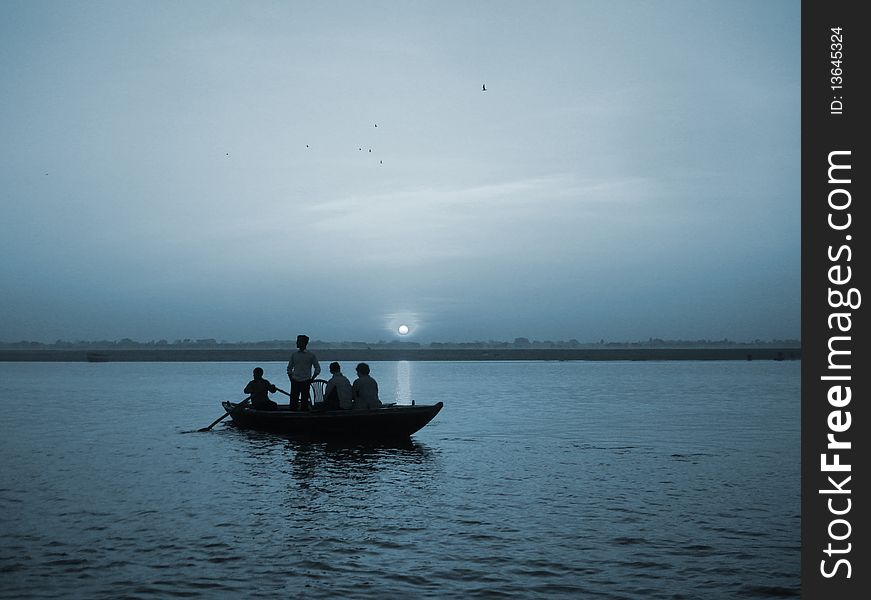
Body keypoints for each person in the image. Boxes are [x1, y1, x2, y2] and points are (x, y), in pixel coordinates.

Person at [286, 334, 320, 411]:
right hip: (295, 380)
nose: (296, 343)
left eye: (298, 341)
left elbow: (317, 368)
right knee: (293, 402)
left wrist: (312, 378)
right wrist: (291, 377)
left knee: (304, 402)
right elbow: (289, 368)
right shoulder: (294, 355)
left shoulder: (311, 355)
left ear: (304, 343)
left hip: (305, 381)